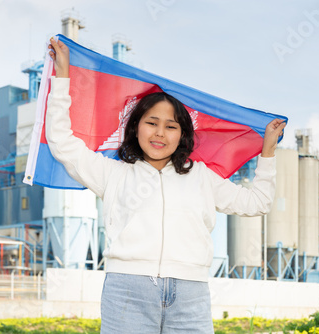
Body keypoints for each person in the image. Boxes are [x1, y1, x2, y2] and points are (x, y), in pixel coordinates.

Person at [47, 37, 286, 334]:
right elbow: (61, 142)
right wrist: (63, 77)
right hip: (127, 291)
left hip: (190, 294)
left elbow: (258, 203)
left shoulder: (201, 176)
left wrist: (268, 153)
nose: (160, 133)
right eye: (152, 122)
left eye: (171, 126)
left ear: (182, 135)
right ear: (135, 128)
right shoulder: (113, 173)